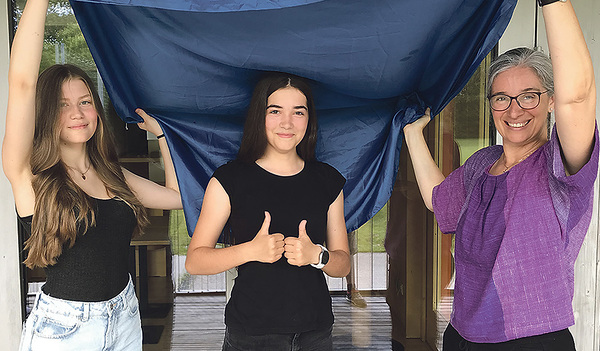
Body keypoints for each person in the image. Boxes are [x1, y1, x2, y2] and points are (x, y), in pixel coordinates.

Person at [402, 0, 597, 349]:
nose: (514, 110)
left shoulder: (560, 164)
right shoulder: (482, 163)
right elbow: (439, 201)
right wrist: (413, 135)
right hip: (463, 334)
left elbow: (578, 99)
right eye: (501, 98)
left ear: (551, 100)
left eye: (529, 96)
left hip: (532, 339)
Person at [3, 0, 182, 349]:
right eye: (61, 104)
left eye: (85, 101)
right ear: (43, 113)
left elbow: (176, 196)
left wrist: (161, 135)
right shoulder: (29, 176)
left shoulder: (113, 176)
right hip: (66, 330)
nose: (77, 113)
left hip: (125, 317)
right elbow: (22, 83)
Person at [185, 72, 351, 350]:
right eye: (275, 111)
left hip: (316, 332)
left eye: (298, 112)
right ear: (259, 116)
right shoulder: (229, 179)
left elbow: (343, 265)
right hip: (251, 334)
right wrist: (250, 251)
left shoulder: (328, 180)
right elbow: (195, 261)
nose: (287, 122)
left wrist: (316, 255)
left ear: (309, 119)